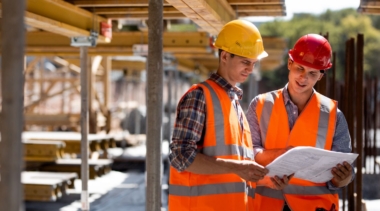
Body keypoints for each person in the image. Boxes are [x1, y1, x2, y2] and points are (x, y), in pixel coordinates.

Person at [168, 20, 270, 211]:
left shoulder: (235, 104)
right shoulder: (200, 96)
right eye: (245, 62)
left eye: (254, 63)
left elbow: (237, 169)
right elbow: (180, 156)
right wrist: (236, 167)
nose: (251, 69)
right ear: (225, 56)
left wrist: (267, 177)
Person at [246, 34, 354, 211]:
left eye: (312, 73)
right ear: (290, 64)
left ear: (320, 76)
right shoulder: (260, 105)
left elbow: (344, 174)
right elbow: (247, 152)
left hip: (314, 207)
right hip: (266, 204)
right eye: (299, 68)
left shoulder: (334, 116)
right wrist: (282, 154)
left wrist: (342, 178)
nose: (303, 77)